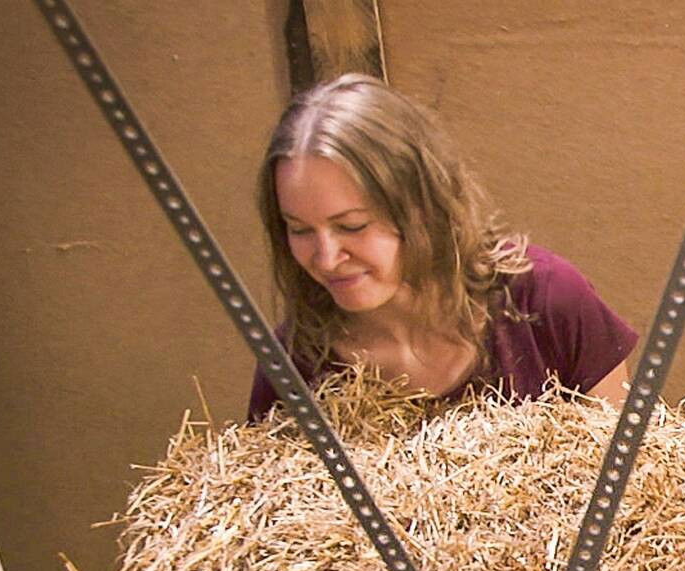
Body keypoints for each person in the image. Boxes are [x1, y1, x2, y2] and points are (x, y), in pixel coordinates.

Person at [247, 74, 634, 421]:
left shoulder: (545, 302)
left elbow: (628, 475)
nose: (327, 258)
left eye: (353, 226)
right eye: (299, 230)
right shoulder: (295, 362)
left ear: (421, 206)